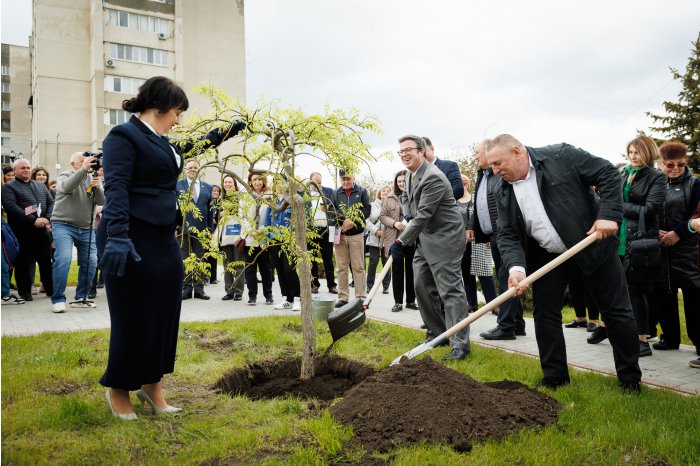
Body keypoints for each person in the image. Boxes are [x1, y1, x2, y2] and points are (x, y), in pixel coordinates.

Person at [97, 76, 244, 419]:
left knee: (165, 310)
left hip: (162, 235)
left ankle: (153, 384)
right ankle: (118, 388)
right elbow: (116, 186)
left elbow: (198, 144)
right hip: (130, 234)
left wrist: (233, 129)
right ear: (160, 106)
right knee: (132, 314)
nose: (179, 119)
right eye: (177, 112)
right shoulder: (123, 136)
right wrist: (118, 234)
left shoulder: (163, 143)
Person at [487, 134, 641, 391]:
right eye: (491, 166)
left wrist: (609, 215)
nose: (494, 170)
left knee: (616, 311)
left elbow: (608, 173)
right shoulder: (500, 187)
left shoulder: (561, 156)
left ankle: (629, 379)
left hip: (591, 243)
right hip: (548, 255)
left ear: (516, 151)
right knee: (545, 313)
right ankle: (555, 376)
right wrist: (517, 267)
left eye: (497, 163)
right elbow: (506, 233)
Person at [390, 135, 469, 361]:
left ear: (422, 151)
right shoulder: (409, 175)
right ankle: (438, 333)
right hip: (425, 238)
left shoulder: (433, 177)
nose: (404, 154)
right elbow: (406, 198)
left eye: (409, 150)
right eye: (401, 151)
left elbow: (423, 215)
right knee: (421, 285)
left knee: (450, 291)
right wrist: (406, 216)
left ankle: (460, 344)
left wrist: (400, 241)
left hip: (445, 238)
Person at [609, 136, 666, 357]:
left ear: (648, 153)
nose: (633, 156)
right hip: (618, 238)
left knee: (635, 290)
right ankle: (622, 334)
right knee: (619, 290)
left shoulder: (657, 177)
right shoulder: (624, 173)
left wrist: (620, 206)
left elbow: (651, 209)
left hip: (640, 238)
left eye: (637, 152)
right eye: (630, 152)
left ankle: (642, 339)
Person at [467, 139, 525, 339]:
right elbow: (479, 204)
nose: (475, 156)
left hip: (505, 235)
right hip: (492, 235)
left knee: (503, 278)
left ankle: (505, 326)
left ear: (488, 152)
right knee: (504, 277)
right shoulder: (482, 175)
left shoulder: (499, 175)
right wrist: (476, 229)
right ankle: (518, 323)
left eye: (477, 152)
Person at [652, 142, 700, 361]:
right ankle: (670, 337)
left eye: (680, 164)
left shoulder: (695, 184)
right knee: (664, 293)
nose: (675, 168)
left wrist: (677, 233)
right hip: (660, 250)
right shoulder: (653, 183)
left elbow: (697, 216)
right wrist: (654, 232)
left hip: (688, 250)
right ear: (660, 163)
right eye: (670, 164)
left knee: (694, 298)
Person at [49, 152, 105, 313]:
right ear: (73, 164)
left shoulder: (92, 177)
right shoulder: (65, 175)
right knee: (64, 259)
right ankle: (58, 299)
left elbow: (101, 201)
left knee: (91, 262)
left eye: (89, 162)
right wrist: (84, 170)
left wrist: (98, 186)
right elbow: (66, 187)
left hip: (86, 227)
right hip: (63, 225)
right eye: (83, 161)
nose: (88, 164)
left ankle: (81, 297)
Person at [1, 158, 55, 302]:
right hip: (21, 231)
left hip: (42, 230)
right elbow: (11, 207)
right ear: (15, 170)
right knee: (23, 263)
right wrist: (33, 220)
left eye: (28, 167)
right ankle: (24, 292)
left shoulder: (40, 186)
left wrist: (47, 219)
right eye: (23, 168)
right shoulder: (9, 187)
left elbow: (51, 203)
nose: (26, 170)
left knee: (46, 262)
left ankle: (51, 290)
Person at [328, 170, 371, 308]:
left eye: (348, 179)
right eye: (343, 179)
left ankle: (360, 296)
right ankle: (343, 297)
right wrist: (341, 223)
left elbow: (367, 210)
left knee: (358, 267)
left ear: (353, 178)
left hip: (356, 234)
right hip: (339, 234)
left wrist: (353, 220)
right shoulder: (335, 193)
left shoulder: (362, 191)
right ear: (340, 179)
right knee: (341, 268)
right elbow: (330, 211)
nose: (345, 182)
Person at [457, 174, 497, 314]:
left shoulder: (475, 200)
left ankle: (494, 304)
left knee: (484, 273)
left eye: (458, 184)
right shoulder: (453, 202)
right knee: (466, 274)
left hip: (477, 241)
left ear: (466, 185)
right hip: (460, 243)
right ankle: (472, 304)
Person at [380, 170, 418, 312]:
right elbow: (382, 216)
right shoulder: (389, 197)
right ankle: (398, 302)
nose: (401, 183)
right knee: (397, 271)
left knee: (411, 270)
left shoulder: (414, 196)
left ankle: (410, 301)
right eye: (399, 181)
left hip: (411, 238)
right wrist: (395, 223)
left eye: (404, 181)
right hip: (395, 239)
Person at [177, 160, 214, 300]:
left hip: (201, 231)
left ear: (199, 170)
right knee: (185, 259)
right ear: (185, 170)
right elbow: (175, 208)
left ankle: (199, 289)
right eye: (190, 167)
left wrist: (210, 230)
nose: (192, 169)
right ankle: (186, 289)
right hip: (183, 229)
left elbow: (211, 211)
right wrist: (175, 226)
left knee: (200, 259)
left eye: (195, 167)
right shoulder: (178, 185)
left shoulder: (207, 187)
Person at [265, 192, 301, 311]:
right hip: (275, 240)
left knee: (289, 269)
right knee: (280, 270)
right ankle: (286, 298)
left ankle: (297, 298)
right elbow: (267, 222)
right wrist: (267, 239)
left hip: (290, 240)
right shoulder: (272, 200)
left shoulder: (293, 199)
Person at [243, 171, 274, 305]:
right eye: (254, 179)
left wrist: (263, 231)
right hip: (250, 237)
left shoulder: (270, 195)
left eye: (260, 179)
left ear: (264, 181)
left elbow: (272, 215)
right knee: (250, 268)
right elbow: (242, 215)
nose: (257, 182)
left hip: (264, 237)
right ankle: (252, 296)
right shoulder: (245, 196)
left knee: (266, 268)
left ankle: (268, 295)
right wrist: (250, 230)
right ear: (250, 181)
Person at [308, 172, 338, 294]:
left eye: (320, 182)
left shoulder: (329, 192)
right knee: (312, 259)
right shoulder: (305, 194)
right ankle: (314, 285)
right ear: (310, 181)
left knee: (328, 258)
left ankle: (331, 285)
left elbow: (335, 210)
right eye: (315, 182)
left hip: (326, 229)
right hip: (312, 230)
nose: (318, 184)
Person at [218, 175, 246, 301]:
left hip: (237, 234)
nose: (227, 184)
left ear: (234, 183)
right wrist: (220, 214)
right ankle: (229, 291)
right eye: (225, 182)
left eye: (230, 182)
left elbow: (244, 214)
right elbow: (215, 217)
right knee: (227, 264)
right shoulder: (220, 198)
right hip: (224, 235)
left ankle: (239, 291)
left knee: (238, 263)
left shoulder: (241, 198)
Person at [365, 185, 391, 293]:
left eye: (388, 191)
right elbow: (366, 220)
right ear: (379, 193)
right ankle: (370, 286)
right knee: (373, 261)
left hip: (387, 239)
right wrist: (376, 231)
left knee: (386, 262)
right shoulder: (372, 205)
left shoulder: (393, 206)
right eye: (383, 191)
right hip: (374, 238)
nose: (385, 192)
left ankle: (386, 286)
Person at [207, 184, 221, 285]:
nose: (215, 193)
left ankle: (213, 277)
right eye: (214, 191)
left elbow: (218, 220)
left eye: (217, 191)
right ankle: (205, 276)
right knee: (205, 253)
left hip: (216, 232)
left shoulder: (220, 203)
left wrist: (215, 219)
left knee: (214, 255)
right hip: (207, 231)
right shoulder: (208, 202)